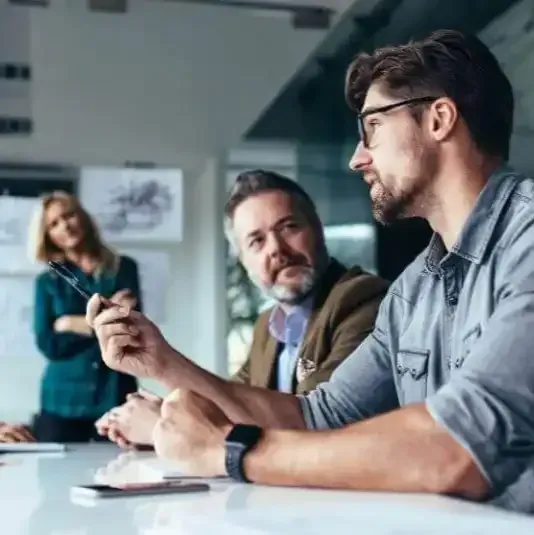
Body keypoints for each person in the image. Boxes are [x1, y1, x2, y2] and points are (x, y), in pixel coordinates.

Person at [86, 29, 534, 513]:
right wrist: (161, 362)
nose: (356, 158)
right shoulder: (413, 291)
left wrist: (231, 452)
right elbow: (318, 416)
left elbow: (458, 448)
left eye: (372, 129)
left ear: (439, 119)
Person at [95, 171, 388, 448]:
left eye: (289, 227)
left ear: (318, 230)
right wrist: (166, 413)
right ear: (244, 263)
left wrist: (161, 422)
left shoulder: (364, 300)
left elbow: (314, 425)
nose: (276, 248)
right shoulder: (268, 325)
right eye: (256, 241)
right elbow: (232, 404)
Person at [30, 191, 143, 443]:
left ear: (82, 216)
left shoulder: (123, 268)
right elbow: (49, 343)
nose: (65, 226)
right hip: (63, 401)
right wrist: (103, 321)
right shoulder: (47, 282)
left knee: (120, 474)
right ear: (47, 235)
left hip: (115, 394)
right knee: (55, 478)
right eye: (54, 224)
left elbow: (130, 329)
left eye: (68, 215)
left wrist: (70, 323)